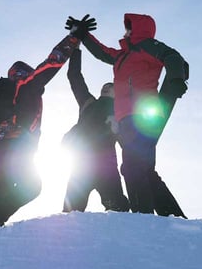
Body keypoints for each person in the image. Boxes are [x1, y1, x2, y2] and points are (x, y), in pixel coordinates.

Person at [65, 14, 188, 217]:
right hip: (125, 121)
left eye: (128, 28)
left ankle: (142, 217)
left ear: (138, 29)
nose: (125, 32)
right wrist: (83, 35)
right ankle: (173, 216)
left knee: (132, 168)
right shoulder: (121, 56)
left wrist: (176, 78)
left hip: (141, 114)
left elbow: (173, 56)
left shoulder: (147, 46)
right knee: (143, 169)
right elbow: (101, 53)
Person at [0, 33, 83, 234]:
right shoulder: (25, 86)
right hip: (15, 147)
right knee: (32, 186)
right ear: (24, 73)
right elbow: (52, 62)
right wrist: (73, 39)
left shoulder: (4, 94)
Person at [62, 47, 129, 212]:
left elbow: (127, 143)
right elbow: (74, 77)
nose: (106, 87)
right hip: (82, 165)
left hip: (107, 168)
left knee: (118, 211)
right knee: (70, 214)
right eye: (105, 85)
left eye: (111, 86)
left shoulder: (122, 112)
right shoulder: (88, 103)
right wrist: (76, 49)